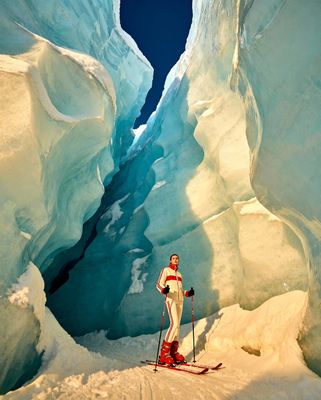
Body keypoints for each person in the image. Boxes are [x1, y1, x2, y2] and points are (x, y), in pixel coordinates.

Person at [156, 253, 194, 365]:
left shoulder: (180, 275)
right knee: (174, 324)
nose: (176, 260)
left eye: (177, 258)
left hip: (180, 301)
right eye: (173, 258)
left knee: (177, 327)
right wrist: (164, 290)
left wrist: (187, 293)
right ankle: (163, 355)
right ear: (170, 260)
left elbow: (180, 290)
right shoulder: (166, 270)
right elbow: (159, 284)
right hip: (171, 299)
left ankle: (173, 352)